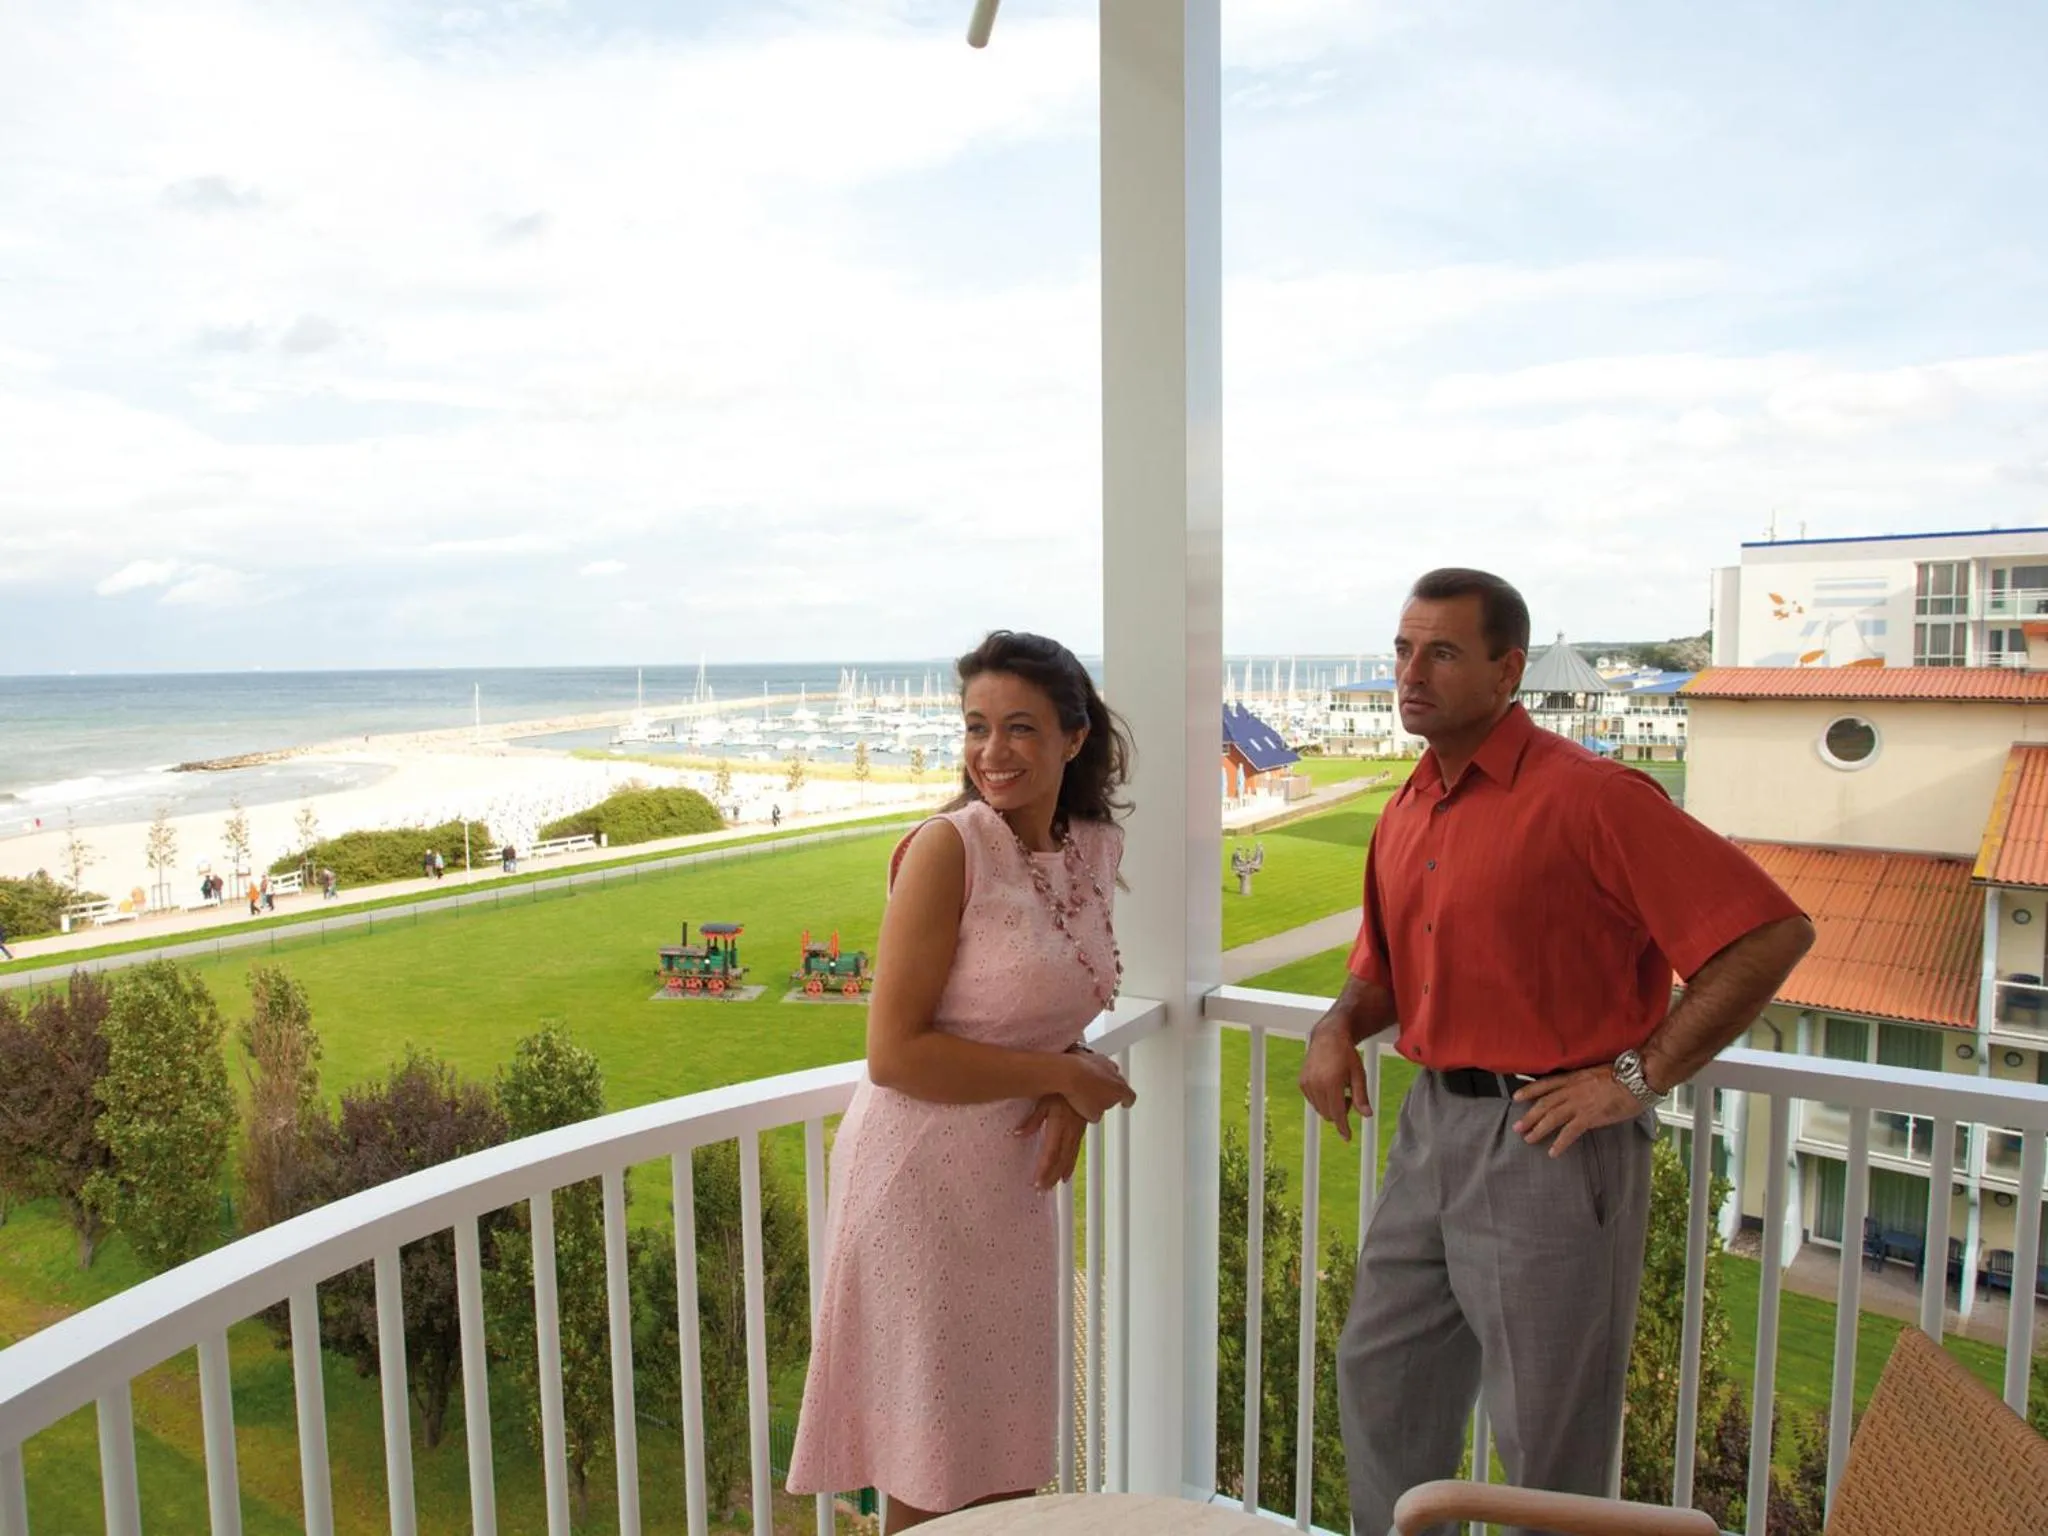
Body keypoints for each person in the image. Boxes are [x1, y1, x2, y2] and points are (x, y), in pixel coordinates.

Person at [1298, 569, 1814, 1536]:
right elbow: (1384, 976)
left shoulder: (1593, 798)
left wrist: (1636, 1076)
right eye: (1404, 650)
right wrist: (1334, 1028)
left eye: (1442, 652)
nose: (1412, 673)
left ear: (1508, 670)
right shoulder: (1408, 807)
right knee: (1384, 1381)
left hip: (1549, 1143)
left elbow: (1768, 934)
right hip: (1429, 1131)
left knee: (1548, 1438)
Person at [787, 631, 1137, 1533]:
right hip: (919, 1179)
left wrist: (1066, 1081)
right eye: (976, 726)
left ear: (1075, 736)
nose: (992, 752)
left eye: (1020, 727)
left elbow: (1052, 986)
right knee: (935, 1462)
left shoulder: (1094, 847)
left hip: (1009, 1189)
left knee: (1010, 1440)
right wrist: (1064, 1074)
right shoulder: (950, 847)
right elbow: (895, 1052)